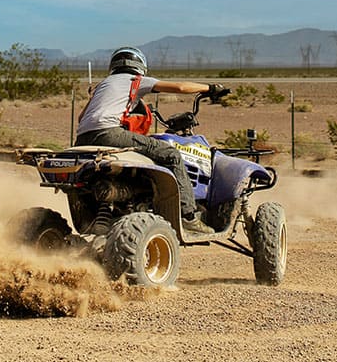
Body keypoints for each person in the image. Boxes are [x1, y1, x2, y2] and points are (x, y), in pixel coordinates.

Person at [74, 47, 228, 237]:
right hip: (108, 133)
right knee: (171, 155)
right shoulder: (136, 80)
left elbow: (82, 118)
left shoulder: (103, 84)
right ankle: (188, 217)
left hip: (82, 138)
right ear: (140, 65)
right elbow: (180, 88)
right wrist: (210, 88)